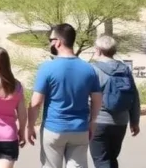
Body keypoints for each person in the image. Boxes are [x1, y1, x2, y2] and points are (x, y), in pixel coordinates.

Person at [27, 23, 102, 168]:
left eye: (51, 40)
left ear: (58, 42)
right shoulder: (89, 69)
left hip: (54, 128)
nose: (50, 43)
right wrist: (92, 122)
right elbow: (97, 99)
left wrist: (30, 126)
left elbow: (36, 103)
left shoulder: (47, 68)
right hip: (80, 129)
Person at [89, 35, 141, 168]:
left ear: (98, 50)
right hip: (121, 123)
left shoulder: (93, 69)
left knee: (101, 160)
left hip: (99, 122)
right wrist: (134, 121)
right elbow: (134, 96)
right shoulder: (124, 69)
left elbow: (86, 97)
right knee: (112, 159)